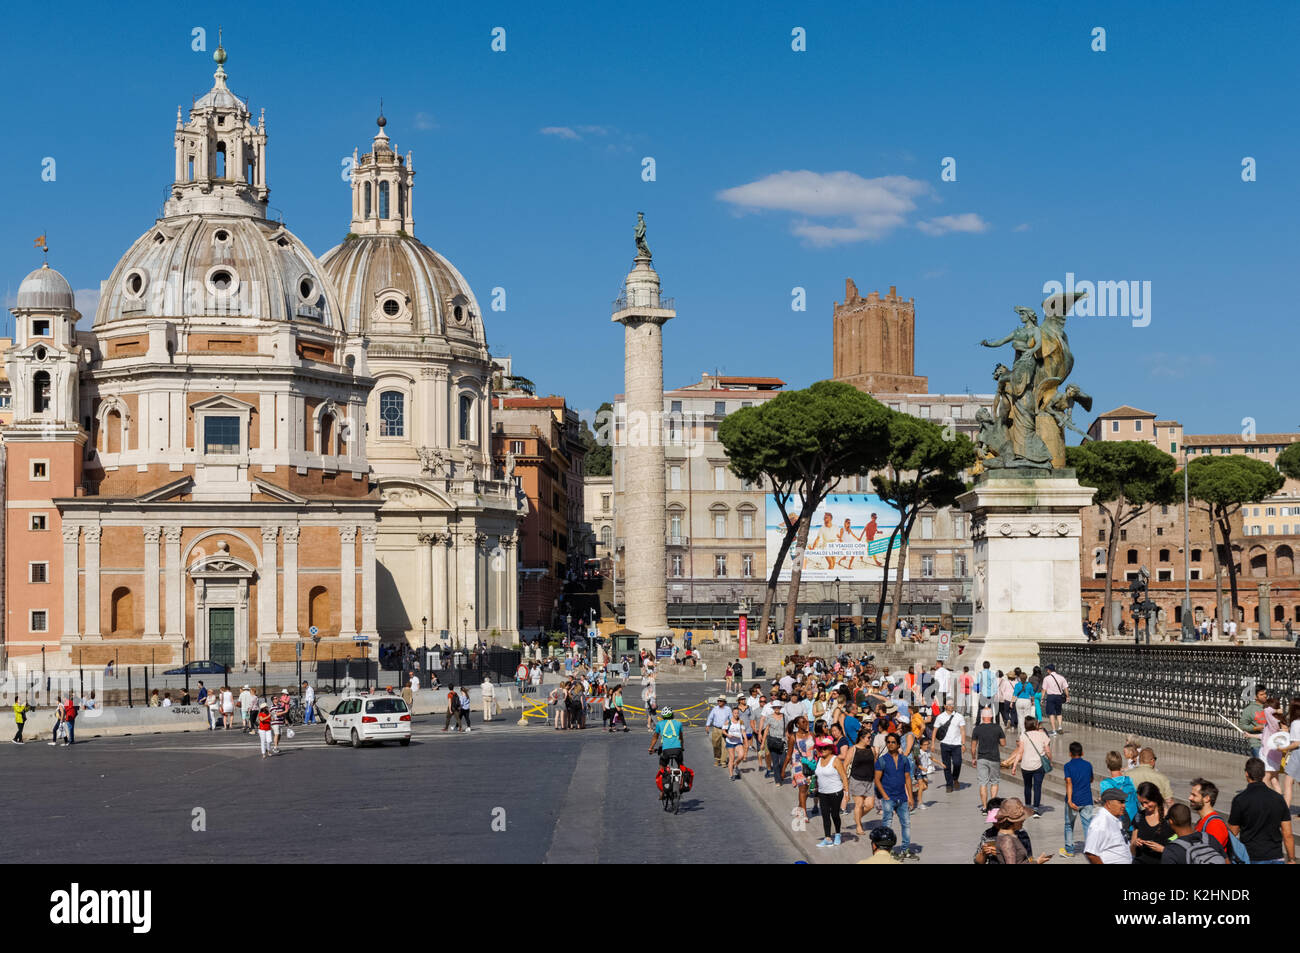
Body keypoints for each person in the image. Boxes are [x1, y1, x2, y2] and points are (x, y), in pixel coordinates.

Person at [1228, 757, 1294, 864]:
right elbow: (1287, 834)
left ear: (1247, 774)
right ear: (1263, 774)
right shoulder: (1278, 799)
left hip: (1251, 855)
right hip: (1275, 856)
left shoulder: (1240, 799)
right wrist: (1291, 859)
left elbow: (1232, 832)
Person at [874, 732, 916, 858]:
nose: (890, 744)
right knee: (887, 825)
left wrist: (911, 797)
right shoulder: (882, 761)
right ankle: (888, 851)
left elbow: (908, 778)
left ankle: (905, 850)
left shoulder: (904, 760)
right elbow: (877, 780)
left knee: (906, 823)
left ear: (898, 744)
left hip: (902, 797)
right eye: (888, 742)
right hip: (889, 798)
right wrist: (885, 796)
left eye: (893, 742)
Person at [1007, 716, 1051, 818]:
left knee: (1027, 786)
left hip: (1026, 765)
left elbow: (1020, 752)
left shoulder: (1024, 735)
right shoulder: (1042, 735)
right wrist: (1050, 761)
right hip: (1039, 765)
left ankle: (1027, 807)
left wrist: (1014, 766)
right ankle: (1035, 809)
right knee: (1037, 787)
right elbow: (1048, 751)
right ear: (1035, 724)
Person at [812, 739, 850, 848]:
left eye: (824, 748)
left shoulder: (835, 760)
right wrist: (814, 785)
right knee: (825, 815)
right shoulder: (819, 760)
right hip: (822, 792)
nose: (822, 750)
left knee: (834, 814)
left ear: (830, 749)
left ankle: (837, 834)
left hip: (835, 792)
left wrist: (846, 794)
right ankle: (827, 838)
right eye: (820, 748)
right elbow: (818, 775)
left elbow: (844, 777)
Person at [1061, 741, 1095, 857]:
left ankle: (1069, 850)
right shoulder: (1088, 765)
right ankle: (1090, 849)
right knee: (1087, 825)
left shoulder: (1067, 766)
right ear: (1082, 753)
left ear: (1070, 753)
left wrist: (1070, 800)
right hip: (1087, 799)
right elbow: (1091, 779)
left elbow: (1069, 782)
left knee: (1069, 825)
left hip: (1073, 800)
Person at [1161, 803, 1226, 864]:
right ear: (1190, 819)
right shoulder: (1210, 838)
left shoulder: (1172, 851)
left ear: (1171, 822)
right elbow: (1227, 862)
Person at [969, 706, 1005, 814]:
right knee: (994, 782)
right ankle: (992, 807)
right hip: (994, 758)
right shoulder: (997, 728)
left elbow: (973, 747)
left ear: (982, 717)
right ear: (991, 716)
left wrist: (973, 758)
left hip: (981, 758)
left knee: (983, 783)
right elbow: (1003, 744)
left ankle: (984, 807)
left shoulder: (977, 729)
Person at [994, 798, 1052, 864]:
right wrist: (1037, 862)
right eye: (1022, 818)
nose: (1024, 820)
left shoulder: (1009, 836)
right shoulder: (1007, 840)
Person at [1084, 788, 1134, 864]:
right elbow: (1091, 853)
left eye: (1124, 802)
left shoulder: (1115, 817)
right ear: (1108, 803)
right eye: (1121, 802)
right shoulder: (1100, 823)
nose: (1124, 806)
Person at [1130, 782, 1173, 864]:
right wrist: (1135, 844)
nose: (1144, 806)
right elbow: (1132, 850)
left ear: (1155, 798)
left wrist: (1162, 849)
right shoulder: (1139, 816)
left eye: (1146, 802)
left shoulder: (1170, 818)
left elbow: (1179, 851)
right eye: (1141, 803)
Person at [1098, 751, 1139, 833]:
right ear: (1120, 764)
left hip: (1118, 825)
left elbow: (1107, 806)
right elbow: (1136, 799)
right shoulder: (1129, 780)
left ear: (1108, 766)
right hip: (1133, 822)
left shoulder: (1105, 784)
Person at [1188, 778, 1231, 856]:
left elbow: (1212, 856)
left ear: (1207, 798)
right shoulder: (1202, 820)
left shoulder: (1215, 825)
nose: (1189, 798)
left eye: (1194, 795)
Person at [847, 728, 877, 835]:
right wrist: (844, 783)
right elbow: (845, 765)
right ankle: (859, 826)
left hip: (870, 781)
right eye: (868, 738)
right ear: (862, 738)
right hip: (856, 780)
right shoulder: (853, 749)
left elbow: (875, 764)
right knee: (859, 804)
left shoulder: (872, 749)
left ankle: (857, 817)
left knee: (870, 805)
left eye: (870, 737)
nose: (870, 739)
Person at [934, 699, 966, 793]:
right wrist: (932, 743)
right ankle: (949, 784)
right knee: (946, 765)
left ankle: (955, 778)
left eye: (952, 704)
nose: (951, 706)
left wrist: (963, 744)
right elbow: (935, 730)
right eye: (949, 704)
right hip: (944, 744)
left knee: (957, 763)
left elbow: (963, 731)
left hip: (956, 744)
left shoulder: (959, 716)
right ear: (945, 706)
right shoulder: (940, 717)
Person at [760, 700, 787, 785]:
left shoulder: (785, 717)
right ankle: (777, 780)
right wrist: (762, 743)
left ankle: (779, 773)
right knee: (775, 762)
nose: (777, 709)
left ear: (780, 708)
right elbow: (766, 730)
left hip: (783, 742)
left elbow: (787, 730)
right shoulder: (769, 717)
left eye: (778, 707)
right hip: (772, 741)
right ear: (773, 708)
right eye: (775, 707)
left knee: (783, 761)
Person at [1240, 685, 1268, 759]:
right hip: (1257, 744)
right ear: (1255, 697)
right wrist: (1256, 728)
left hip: (1270, 742)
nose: (1265, 696)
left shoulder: (1270, 706)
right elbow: (1243, 725)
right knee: (1261, 767)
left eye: (1265, 693)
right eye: (1261, 694)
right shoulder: (1249, 710)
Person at [1041, 664, 1068, 735]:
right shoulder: (1061, 677)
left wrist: (1042, 698)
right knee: (1059, 712)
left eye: (1047, 670)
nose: (1047, 671)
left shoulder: (1046, 678)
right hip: (1059, 697)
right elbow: (1066, 688)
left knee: (1051, 713)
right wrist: (1068, 696)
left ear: (1049, 670)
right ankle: (1059, 727)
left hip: (1050, 697)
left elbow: (1044, 690)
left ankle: (1054, 730)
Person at [724, 707, 747, 781]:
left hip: (738, 741)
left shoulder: (741, 721)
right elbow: (723, 731)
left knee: (741, 755)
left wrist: (746, 740)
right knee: (732, 758)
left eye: (737, 713)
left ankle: (735, 764)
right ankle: (731, 775)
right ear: (732, 713)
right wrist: (728, 735)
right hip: (730, 742)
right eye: (735, 713)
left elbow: (743, 731)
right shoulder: (728, 721)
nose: (736, 714)